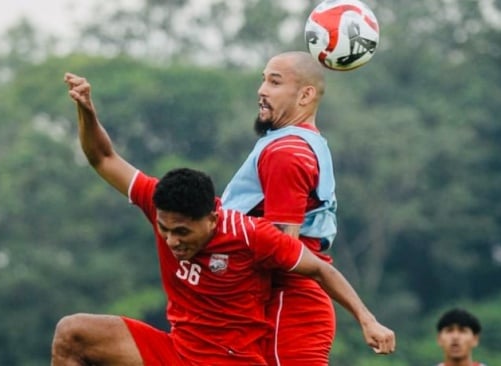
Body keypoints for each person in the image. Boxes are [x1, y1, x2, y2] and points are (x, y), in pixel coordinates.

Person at [50, 72, 395, 365]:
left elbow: (321, 269)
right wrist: (87, 111)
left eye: (183, 232)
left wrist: (368, 321)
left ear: (213, 219)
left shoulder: (250, 234)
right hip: (177, 351)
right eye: (165, 230)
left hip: (230, 359)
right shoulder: (158, 200)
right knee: (72, 332)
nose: (172, 241)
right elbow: (103, 158)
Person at [221, 50, 343, 364]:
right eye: (263, 80)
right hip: (291, 300)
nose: (261, 90)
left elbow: (282, 250)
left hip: (286, 303)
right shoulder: (300, 141)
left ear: (305, 95)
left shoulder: (287, 151)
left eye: (274, 82)